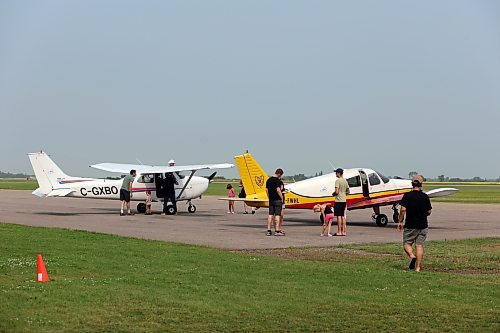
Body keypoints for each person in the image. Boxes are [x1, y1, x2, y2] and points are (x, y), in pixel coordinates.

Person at [397, 175, 432, 272]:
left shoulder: (407, 195)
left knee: (407, 244)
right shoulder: (425, 197)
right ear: (421, 185)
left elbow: (403, 210)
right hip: (423, 225)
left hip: (410, 225)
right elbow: (429, 211)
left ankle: (412, 256)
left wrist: (400, 221)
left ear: (412, 184)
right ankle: (418, 268)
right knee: (419, 245)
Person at [265, 168, 284, 236]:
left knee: (270, 215)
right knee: (277, 215)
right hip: (277, 200)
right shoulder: (277, 181)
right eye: (280, 175)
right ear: (279, 174)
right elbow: (278, 190)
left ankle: (269, 230)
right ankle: (277, 231)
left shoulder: (268, 180)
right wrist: (282, 198)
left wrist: (269, 197)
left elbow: (266, 190)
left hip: (271, 200)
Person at [332, 168, 349, 236]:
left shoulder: (337, 181)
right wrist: (344, 194)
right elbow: (348, 191)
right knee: (343, 216)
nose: (335, 174)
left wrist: (333, 194)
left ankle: (339, 231)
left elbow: (336, 192)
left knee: (338, 216)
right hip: (344, 200)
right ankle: (344, 232)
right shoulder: (345, 181)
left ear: (339, 173)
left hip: (338, 200)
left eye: (336, 173)